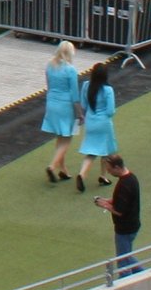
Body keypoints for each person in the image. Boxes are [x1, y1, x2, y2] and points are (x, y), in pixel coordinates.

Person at [41, 41, 83, 184]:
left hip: (52, 102)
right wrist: (80, 112)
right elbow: (74, 93)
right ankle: (52, 166)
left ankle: (63, 169)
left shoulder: (50, 65)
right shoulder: (70, 70)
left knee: (60, 136)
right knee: (67, 137)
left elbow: (48, 85)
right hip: (65, 105)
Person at [76, 60, 119, 192]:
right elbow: (110, 110)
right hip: (104, 123)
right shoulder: (108, 90)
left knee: (91, 151)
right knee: (106, 150)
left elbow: (83, 105)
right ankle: (103, 175)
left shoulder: (86, 86)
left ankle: (83, 174)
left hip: (91, 122)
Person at [97, 154, 141, 274]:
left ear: (117, 167)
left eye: (110, 169)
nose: (109, 172)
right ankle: (143, 273)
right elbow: (122, 200)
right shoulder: (132, 178)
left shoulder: (124, 185)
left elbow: (119, 210)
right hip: (133, 225)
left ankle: (126, 283)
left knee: (122, 260)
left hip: (125, 228)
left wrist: (104, 205)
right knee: (127, 256)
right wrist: (107, 200)